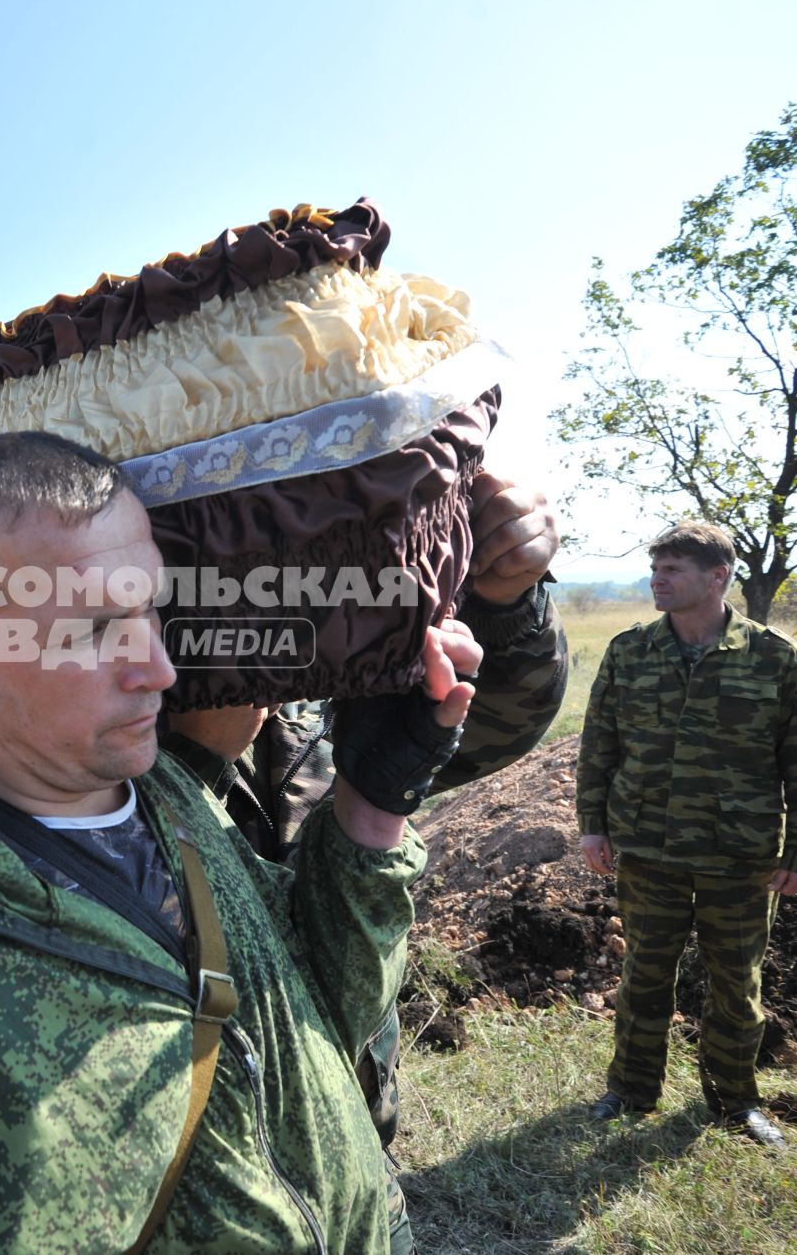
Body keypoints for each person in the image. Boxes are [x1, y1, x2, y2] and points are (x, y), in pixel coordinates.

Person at [0, 431, 481, 1253]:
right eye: (90, 629)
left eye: (149, 608)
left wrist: (373, 808)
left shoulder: (165, 793)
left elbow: (319, 1018)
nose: (156, 666)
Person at [158, 472, 566, 1255]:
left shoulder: (328, 682)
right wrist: (194, 755)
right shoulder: (92, 720)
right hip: (199, 1178)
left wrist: (509, 601)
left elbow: (498, 718)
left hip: (352, 1130)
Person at [576, 522, 797, 1149]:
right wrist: (592, 827)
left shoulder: (774, 656)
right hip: (648, 849)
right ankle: (631, 1090)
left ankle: (733, 1101)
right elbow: (599, 744)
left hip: (738, 855)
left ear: (718, 577)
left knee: (736, 987)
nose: (657, 580)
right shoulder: (630, 650)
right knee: (643, 976)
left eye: (673, 569)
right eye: (656, 568)